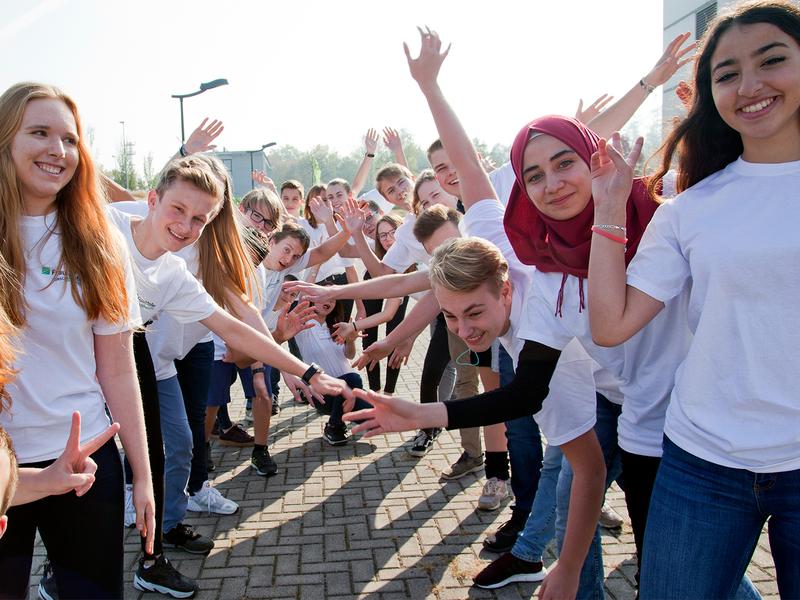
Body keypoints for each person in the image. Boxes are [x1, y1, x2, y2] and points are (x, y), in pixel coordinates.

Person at [587, 2, 800, 598]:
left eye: (772, 60)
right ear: (710, 94)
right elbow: (610, 325)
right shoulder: (691, 210)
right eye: (727, 73)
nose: (750, 86)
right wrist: (607, 215)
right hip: (703, 461)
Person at [0, 81, 155, 599]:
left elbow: (117, 366)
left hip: (86, 464)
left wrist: (143, 471)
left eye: (70, 139)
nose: (57, 150)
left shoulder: (100, 240)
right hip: (2, 470)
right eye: (39, 133)